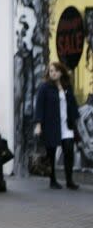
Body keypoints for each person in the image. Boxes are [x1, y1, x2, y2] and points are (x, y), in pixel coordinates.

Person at [35, 61, 80, 189]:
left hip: (66, 125)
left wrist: (75, 119)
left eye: (55, 71)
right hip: (51, 125)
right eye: (51, 71)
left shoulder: (67, 86)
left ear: (61, 72)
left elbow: (72, 104)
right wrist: (38, 124)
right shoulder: (45, 87)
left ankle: (69, 180)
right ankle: (52, 179)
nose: (53, 73)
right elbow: (39, 106)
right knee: (51, 153)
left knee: (69, 150)